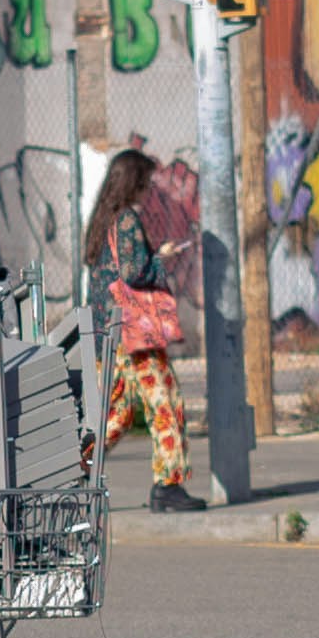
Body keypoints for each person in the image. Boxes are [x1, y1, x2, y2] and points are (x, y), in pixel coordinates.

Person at [83, 147, 206, 515]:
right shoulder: (127, 220)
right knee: (166, 402)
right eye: (148, 181)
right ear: (133, 182)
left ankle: (73, 468)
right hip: (135, 335)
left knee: (117, 414)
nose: (151, 188)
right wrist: (161, 259)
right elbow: (135, 272)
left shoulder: (103, 221)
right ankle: (169, 485)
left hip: (109, 335)